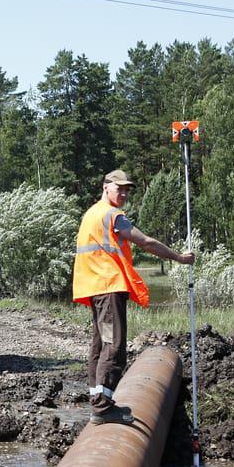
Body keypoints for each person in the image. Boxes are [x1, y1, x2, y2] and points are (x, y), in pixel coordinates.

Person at [73, 169, 195, 424]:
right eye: (120, 189)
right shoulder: (112, 215)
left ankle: (98, 398)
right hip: (107, 286)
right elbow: (146, 242)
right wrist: (179, 258)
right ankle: (103, 407)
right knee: (113, 345)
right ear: (106, 187)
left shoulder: (91, 213)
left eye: (128, 189)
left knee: (99, 344)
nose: (125, 193)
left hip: (94, 286)